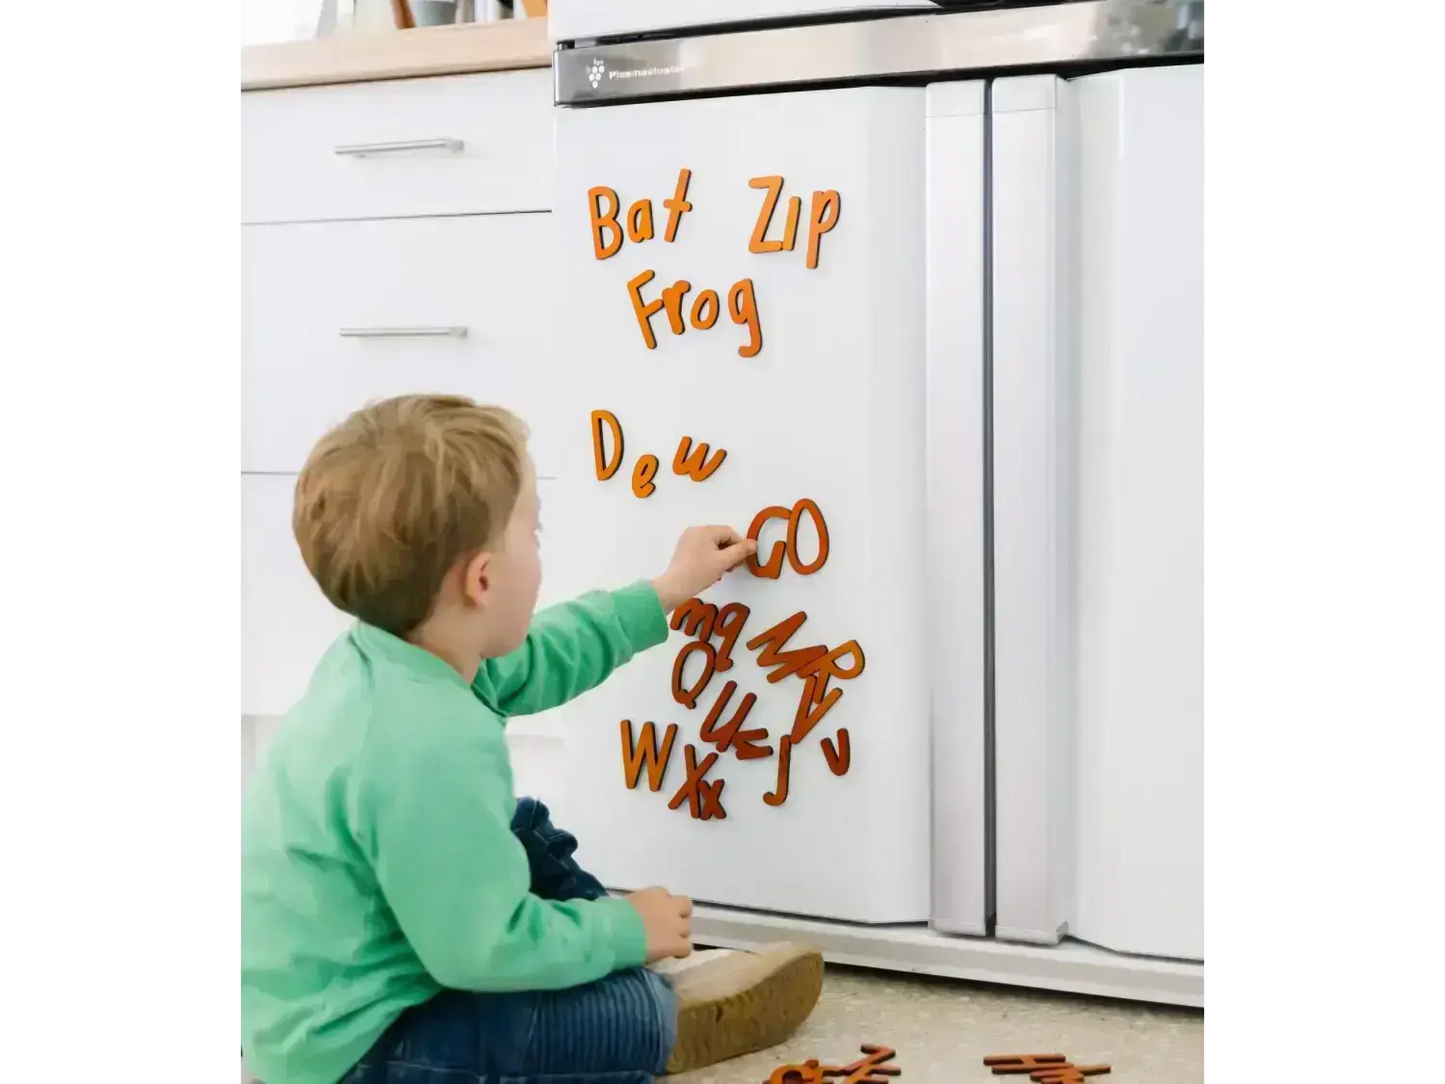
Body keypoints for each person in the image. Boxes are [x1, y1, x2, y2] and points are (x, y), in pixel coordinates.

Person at [238, 394, 824, 1084]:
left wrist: (667, 590)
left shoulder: (398, 651)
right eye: (535, 535)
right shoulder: (427, 742)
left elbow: (546, 652)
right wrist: (626, 932)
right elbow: (480, 948)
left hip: (368, 971)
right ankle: (649, 1005)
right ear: (483, 580)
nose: (540, 552)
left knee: (520, 826)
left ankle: (597, 958)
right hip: (359, 1051)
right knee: (627, 1016)